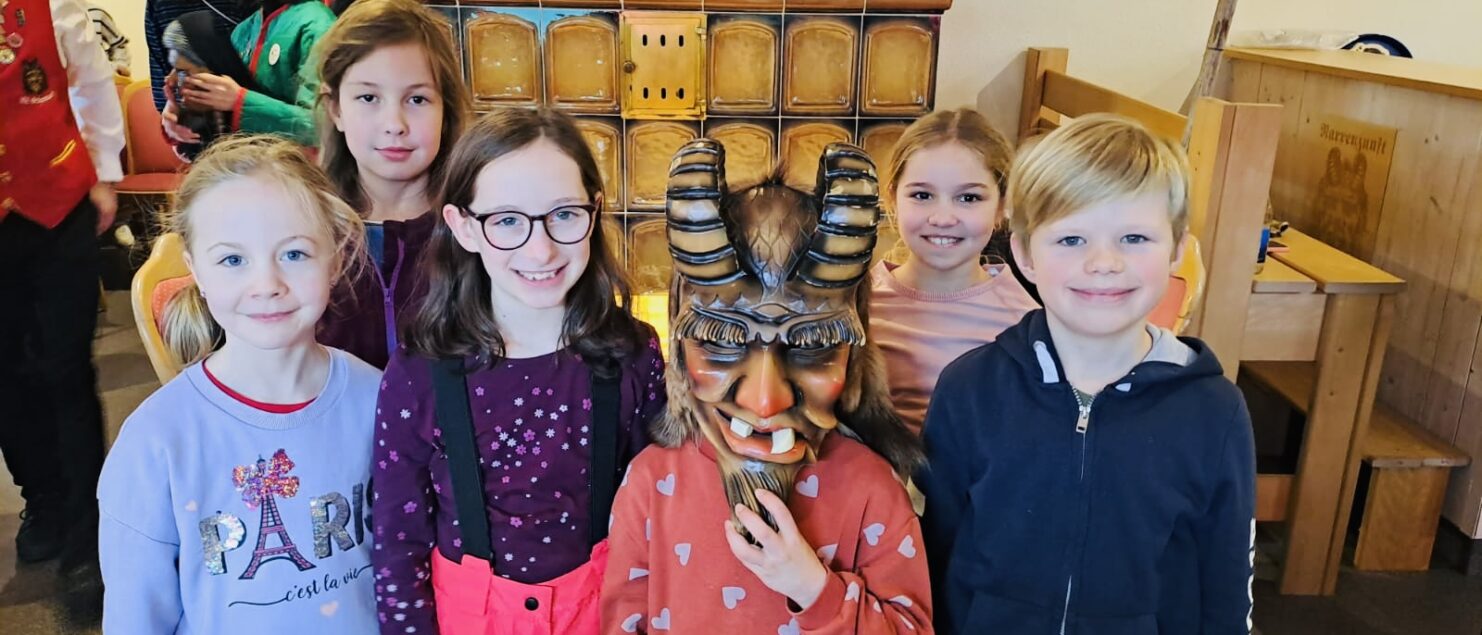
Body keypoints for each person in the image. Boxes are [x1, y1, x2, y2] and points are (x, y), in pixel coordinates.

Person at [919, 114, 1256, 634]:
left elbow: (1226, 579)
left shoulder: (1214, 411)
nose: (1104, 263)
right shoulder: (970, 390)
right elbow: (935, 551)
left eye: (1134, 238)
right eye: (1072, 239)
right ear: (1025, 254)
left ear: (1177, 250)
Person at [600, 140, 930, 634]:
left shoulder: (872, 492)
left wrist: (814, 589)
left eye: (814, 344)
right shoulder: (651, 484)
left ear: (854, 353)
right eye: (720, 340)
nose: (764, 400)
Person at [372, 108, 666, 634]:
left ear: (595, 210)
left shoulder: (635, 355)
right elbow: (399, 543)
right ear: (464, 227)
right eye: (507, 220)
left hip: (605, 616)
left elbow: (660, 515)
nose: (541, 248)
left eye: (564, 214)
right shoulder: (417, 372)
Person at [98, 135, 380, 633]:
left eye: (294, 253)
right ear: (196, 270)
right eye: (233, 260)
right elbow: (136, 618)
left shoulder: (379, 400)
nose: (267, 284)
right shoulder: (155, 443)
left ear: (335, 258)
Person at [0, 0, 124, 621]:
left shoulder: (52, 7)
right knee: (6, 375)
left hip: (57, 204)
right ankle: (43, 498)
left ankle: (87, 532)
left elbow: (92, 82)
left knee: (66, 370)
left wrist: (103, 171)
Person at [314, 0, 470, 369]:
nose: (394, 124)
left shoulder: (478, 227)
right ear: (336, 109)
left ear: (445, 110)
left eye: (417, 99)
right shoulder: (305, 228)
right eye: (368, 98)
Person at [870, 108, 1039, 438]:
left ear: (1002, 205)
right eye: (922, 195)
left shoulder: (1025, 323)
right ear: (892, 198)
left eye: (968, 198)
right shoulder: (855, 304)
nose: (943, 218)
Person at [162, 0, 334, 146]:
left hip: (298, 169)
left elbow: (323, 128)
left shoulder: (317, 26)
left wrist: (241, 101)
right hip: (250, 164)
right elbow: (222, 115)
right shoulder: (245, 30)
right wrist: (178, 115)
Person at [144, 0, 254, 110]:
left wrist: (243, 102)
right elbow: (161, 85)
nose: (170, 81)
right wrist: (173, 110)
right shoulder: (158, 4)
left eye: (183, 72)